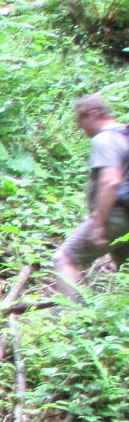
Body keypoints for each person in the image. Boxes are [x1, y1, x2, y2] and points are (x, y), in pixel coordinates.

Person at [52, 94, 129, 300]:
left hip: (118, 215)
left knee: (63, 258)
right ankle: (110, 321)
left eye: (80, 119)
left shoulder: (105, 138)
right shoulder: (124, 133)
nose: (79, 126)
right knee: (122, 265)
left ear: (93, 114)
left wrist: (98, 223)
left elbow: (110, 181)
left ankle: (71, 320)